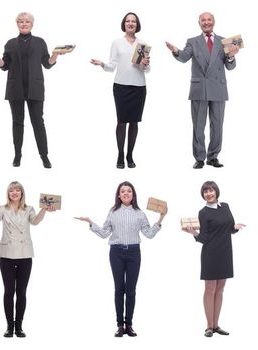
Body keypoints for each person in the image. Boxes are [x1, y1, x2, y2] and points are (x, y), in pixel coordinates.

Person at [74, 181, 164, 337]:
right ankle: (120, 326)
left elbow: (149, 234)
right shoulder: (113, 212)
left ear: (133, 194)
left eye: (129, 191)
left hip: (134, 253)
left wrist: (161, 218)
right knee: (119, 289)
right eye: (123, 191)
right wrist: (90, 222)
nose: (126, 193)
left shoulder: (140, 213)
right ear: (119, 195)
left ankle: (129, 325)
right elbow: (104, 233)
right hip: (116, 253)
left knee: (131, 290)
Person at [0, 12, 65, 168]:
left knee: (38, 123)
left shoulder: (40, 42)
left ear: (32, 24)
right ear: (17, 24)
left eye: (27, 21)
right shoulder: (10, 43)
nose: (24, 24)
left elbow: (47, 64)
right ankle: (17, 155)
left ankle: (44, 156)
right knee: (17, 123)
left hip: (35, 89)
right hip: (15, 89)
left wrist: (55, 55)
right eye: (20, 21)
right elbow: (4, 66)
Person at [0, 181, 53, 338]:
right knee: (9, 291)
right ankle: (9, 326)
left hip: (25, 255)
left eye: (17, 190)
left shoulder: (29, 209)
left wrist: (44, 209)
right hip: (7, 254)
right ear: (8, 194)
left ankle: (19, 326)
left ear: (22, 193)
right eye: (11, 191)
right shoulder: (3, 209)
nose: (14, 193)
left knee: (21, 292)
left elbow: (35, 222)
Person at [166, 12, 239, 169]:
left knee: (217, 125)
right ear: (199, 23)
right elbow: (184, 57)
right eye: (203, 20)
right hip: (200, 88)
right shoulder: (192, 41)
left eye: (209, 20)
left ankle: (213, 157)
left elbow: (230, 67)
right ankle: (199, 158)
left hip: (218, 88)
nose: (206, 22)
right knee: (198, 125)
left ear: (214, 22)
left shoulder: (224, 41)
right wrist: (176, 51)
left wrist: (231, 56)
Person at [183, 181, 245, 337]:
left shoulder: (225, 206)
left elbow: (229, 228)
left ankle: (217, 325)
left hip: (225, 253)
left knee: (220, 289)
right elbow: (204, 237)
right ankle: (209, 326)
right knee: (210, 289)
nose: (208, 194)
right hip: (210, 253)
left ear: (216, 191)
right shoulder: (203, 212)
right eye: (205, 192)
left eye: (210, 190)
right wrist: (193, 233)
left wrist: (235, 227)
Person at [90, 13, 151, 169]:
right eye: (128, 21)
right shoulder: (117, 43)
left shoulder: (142, 44)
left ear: (137, 25)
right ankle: (120, 154)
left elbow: (147, 69)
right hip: (121, 87)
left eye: (133, 21)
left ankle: (130, 155)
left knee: (134, 122)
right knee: (121, 121)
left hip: (138, 87)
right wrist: (102, 64)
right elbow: (112, 66)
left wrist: (145, 63)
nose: (130, 23)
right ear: (124, 24)